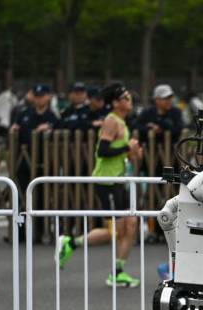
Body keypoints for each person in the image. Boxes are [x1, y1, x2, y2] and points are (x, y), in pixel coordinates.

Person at [57, 83, 144, 287]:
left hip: (119, 179)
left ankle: (118, 271)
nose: (130, 101)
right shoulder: (111, 121)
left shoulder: (123, 121)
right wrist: (126, 147)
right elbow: (103, 151)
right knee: (117, 230)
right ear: (115, 103)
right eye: (126, 97)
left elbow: (122, 153)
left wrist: (133, 153)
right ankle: (71, 242)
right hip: (106, 180)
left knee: (130, 224)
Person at [11, 84, 59, 242]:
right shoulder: (24, 114)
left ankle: (39, 232)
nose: (39, 99)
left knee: (41, 199)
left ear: (48, 97)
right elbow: (14, 131)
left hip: (44, 163)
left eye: (42, 96)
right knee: (20, 198)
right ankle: (20, 233)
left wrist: (50, 128)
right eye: (36, 96)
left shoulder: (53, 117)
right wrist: (14, 130)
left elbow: (60, 131)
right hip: (23, 163)